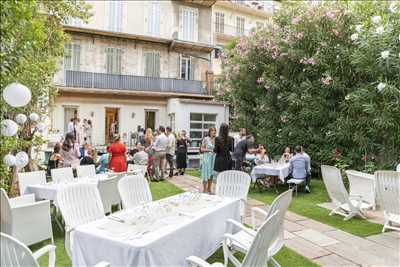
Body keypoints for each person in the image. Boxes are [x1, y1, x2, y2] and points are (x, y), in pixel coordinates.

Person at [200, 127, 216, 193]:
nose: (214, 132)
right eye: (212, 130)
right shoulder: (206, 139)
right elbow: (201, 149)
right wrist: (209, 150)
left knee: (211, 174)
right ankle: (204, 189)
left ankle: (209, 189)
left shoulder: (216, 139)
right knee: (205, 174)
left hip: (214, 158)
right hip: (207, 158)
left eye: (215, 130)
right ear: (209, 132)